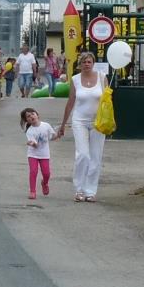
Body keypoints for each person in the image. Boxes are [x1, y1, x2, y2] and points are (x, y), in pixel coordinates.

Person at [57, 51, 106, 202]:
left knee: (95, 156)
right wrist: (64, 124)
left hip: (98, 122)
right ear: (80, 64)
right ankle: (79, 190)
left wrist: (109, 121)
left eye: (89, 61)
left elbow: (108, 100)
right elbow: (70, 102)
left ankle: (90, 191)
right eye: (84, 62)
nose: (86, 64)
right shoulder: (75, 79)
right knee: (83, 154)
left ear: (93, 63)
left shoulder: (102, 78)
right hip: (80, 121)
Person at [20, 107, 57, 200]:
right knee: (33, 171)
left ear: (37, 115)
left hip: (44, 154)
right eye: (28, 116)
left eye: (32, 114)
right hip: (33, 154)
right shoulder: (30, 131)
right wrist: (32, 143)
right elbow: (35, 145)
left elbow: (52, 137)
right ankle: (32, 191)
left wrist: (58, 134)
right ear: (27, 121)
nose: (31, 116)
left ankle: (44, 183)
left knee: (47, 173)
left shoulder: (46, 125)